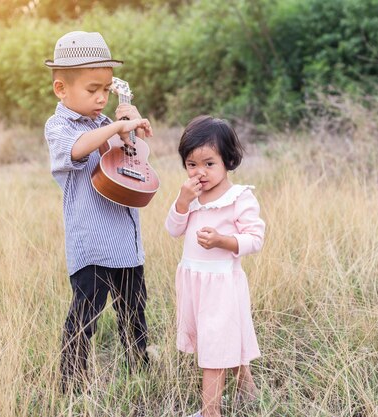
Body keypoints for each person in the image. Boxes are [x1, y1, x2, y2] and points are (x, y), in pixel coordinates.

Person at [43, 31, 153, 393]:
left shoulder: (107, 123)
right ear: (62, 89)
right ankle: (72, 385)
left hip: (125, 242)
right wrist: (114, 130)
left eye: (106, 89)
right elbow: (76, 151)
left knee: (134, 314)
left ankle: (141, 373)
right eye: (93, 90)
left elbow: (136, 167)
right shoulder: (59, 126)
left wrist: (131, 131)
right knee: (84, 316)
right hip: (91, 244)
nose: (102, 98)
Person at [165, 116, 265, 417]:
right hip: (195, 284)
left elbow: (255, 239)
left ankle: (211, 412)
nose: (200, 172)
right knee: (219, 339)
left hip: (221, 285)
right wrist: (182, 202)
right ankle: (247, 389)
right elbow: (173, 229)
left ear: (228, 161)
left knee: (215, 350)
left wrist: (223, 240)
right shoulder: (191, 196)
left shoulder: (239, 198)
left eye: (209, 163)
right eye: (192, 164)